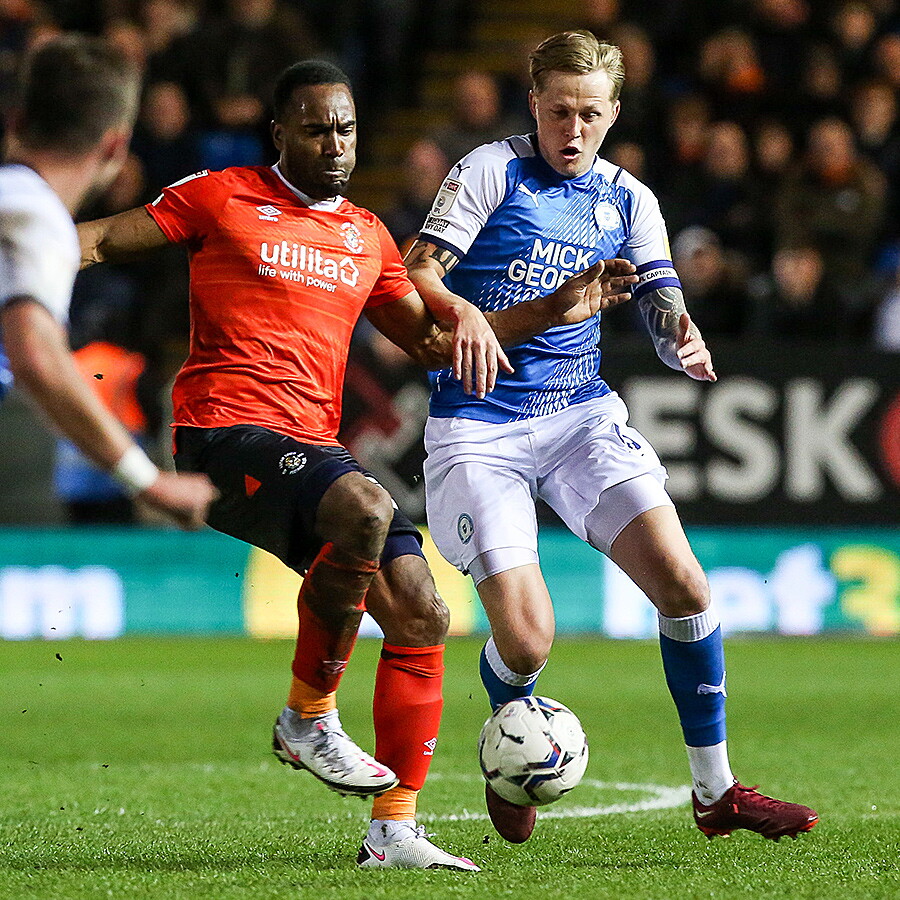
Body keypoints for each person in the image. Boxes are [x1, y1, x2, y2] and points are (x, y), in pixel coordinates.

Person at [78, 58, 637, 870]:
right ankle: (309, 715)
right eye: (314, 128)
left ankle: (395, 832)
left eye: (344, 128)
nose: (335, 143)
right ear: (280, 133)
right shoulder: (221, 194)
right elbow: (97, 240)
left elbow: (436, 344)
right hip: (224, 433)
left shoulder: (366, 235)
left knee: (422, 612)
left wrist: (556, 308)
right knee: (369, 510)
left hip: (309, 450)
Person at [405, 29, 819, 845]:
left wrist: (681, 337)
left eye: (590, 115)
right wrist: (466, 318)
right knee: (526, 639)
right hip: (478, 426)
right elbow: (417, 270)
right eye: (559, 111)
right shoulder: (491, 170)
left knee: (687, 588)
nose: (573, 130)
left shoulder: (629, 198)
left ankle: (717, 792)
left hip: (579, 418)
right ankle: (512, 733)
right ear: (535, 105)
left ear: (614, 113)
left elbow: (660, 297)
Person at [0, 35, 214, 531]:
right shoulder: (36, 213)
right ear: (116, 145)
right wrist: (148, 480)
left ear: (16, 120)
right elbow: (36, 353)